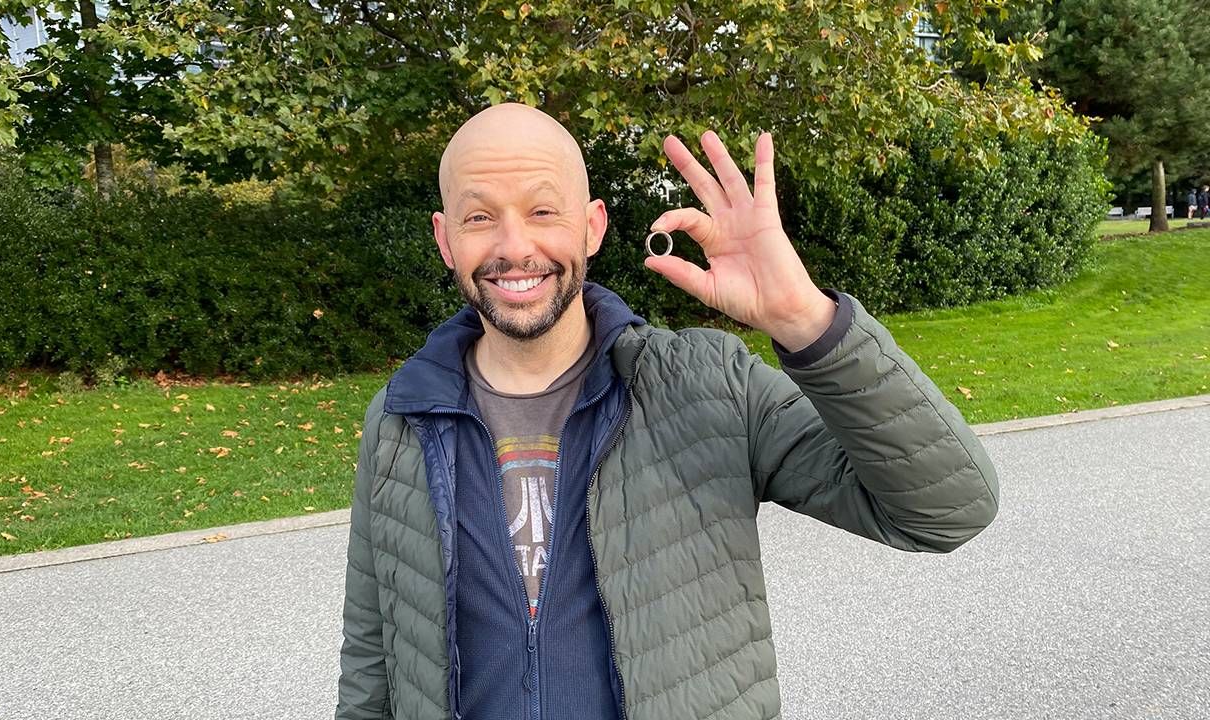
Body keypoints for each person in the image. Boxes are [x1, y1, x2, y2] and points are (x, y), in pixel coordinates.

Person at [335, 103, 999, 720]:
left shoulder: (707, 385)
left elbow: (949, 510)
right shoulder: (399, 422)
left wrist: (804, 319)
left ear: (592, 226)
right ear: (446, 239)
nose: (514, 246)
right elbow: (373, 663)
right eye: (480, 218)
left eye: (543, 212)